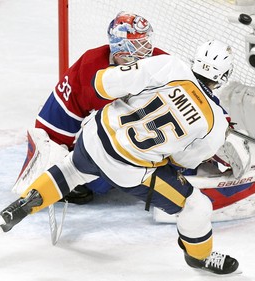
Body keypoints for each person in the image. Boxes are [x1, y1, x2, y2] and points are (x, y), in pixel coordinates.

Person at [0, 40, 242, 275]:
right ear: (224, 77)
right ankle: (199, 256)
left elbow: (104, 83)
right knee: (196, 205)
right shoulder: (216, 125)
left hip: (94, 137)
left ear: (194, 60)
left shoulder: (169, 65)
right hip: (128, 169)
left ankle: (26, 203)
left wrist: (131, 97)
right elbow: (181, 162)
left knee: (71, 169)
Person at [12, 11, 168, 204]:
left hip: (152, 144)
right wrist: (54, 156)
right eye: (138, 43)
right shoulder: (91, 65)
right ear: (120, 47)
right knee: (96, 182)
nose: (146, 48)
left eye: (146, 41)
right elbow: (58, 115)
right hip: (117, 145)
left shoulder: (163, 64)